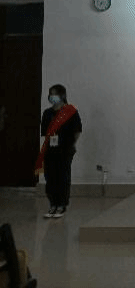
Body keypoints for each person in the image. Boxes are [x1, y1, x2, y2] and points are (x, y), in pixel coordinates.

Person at [35, 84, 82, 219]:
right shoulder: (47, 113)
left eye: (54, 94)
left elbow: (77, 131)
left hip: (65, 150)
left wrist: (70, 145)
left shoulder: (71, 112)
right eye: (50, 94)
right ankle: (53, 204)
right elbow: (45, 132)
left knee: (62, 177)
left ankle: (61, 205)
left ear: (62, 96)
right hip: (50, 150)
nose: (51, 97)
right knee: (50, 177)